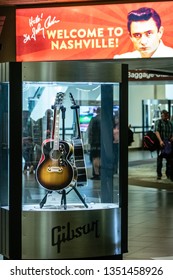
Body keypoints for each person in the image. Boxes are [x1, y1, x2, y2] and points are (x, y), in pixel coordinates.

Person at [154, 110, 173, 180]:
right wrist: (160, 141)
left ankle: (168, 174)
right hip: (161, 144)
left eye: (166, 115)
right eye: (163, 115)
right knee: (160, 160)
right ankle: (159, 174)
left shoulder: (170, 123)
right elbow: (157, 132)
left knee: (170, 160)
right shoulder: (158, 122)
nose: (165, 117)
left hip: (168, 144)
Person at [88, 107, 101, 180]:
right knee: (100, 157)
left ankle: (96, 173)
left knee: (95, 158)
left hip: (94, 142)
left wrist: (90, 141)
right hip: (103, 142)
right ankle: (100, 173)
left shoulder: (93, 119)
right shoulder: (105, 120)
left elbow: (90, 132)